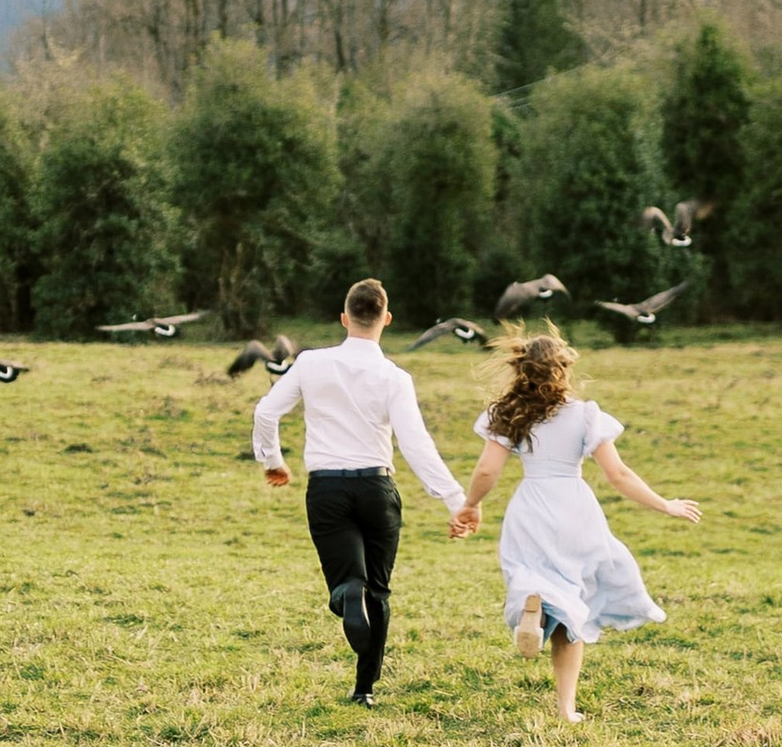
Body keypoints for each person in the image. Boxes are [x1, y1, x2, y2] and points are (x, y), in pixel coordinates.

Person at [452, 334, 698, 722]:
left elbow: (487, 470)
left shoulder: (509, 413)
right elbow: (617, 474)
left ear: (520, 370)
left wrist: (470, 505)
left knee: (532, 576)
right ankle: (566, 708)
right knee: (573, 603)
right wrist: (665, 504)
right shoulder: (585, 414)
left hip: (530, 506)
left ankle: (533, 608)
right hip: (574, 508)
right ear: (564, 369)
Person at [252, 279, 473, 703]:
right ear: (386, 320)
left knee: (346, 585)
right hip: (377, 486)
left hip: (327, 489)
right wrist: (454, 500)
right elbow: (416, 445)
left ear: (344, 317)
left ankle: (347, 593)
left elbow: (266, 411)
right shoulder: (395, 377)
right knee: (380, 592)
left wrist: (273, 461)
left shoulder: (311, 363)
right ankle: (364, 689)